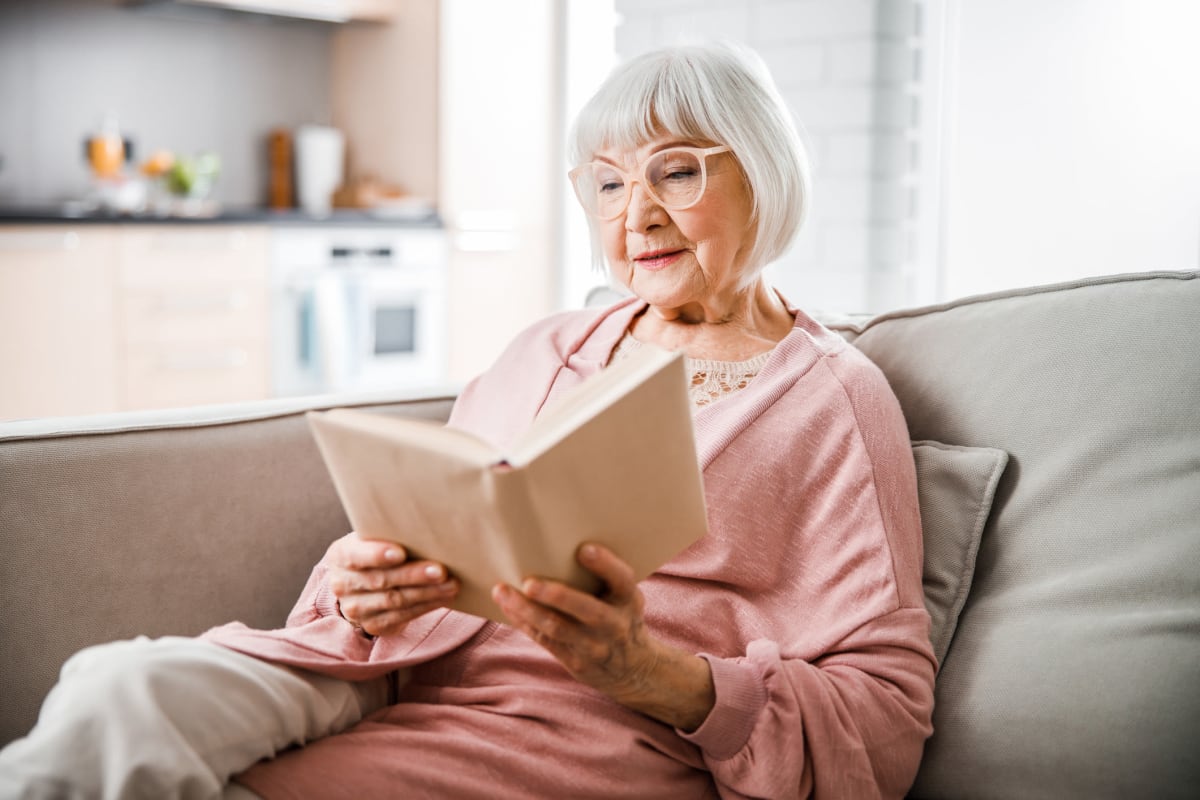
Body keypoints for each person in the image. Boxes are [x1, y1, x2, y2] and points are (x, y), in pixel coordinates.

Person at [0, 42, 935, 799]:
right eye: (607, 185)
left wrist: (645, 669)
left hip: (567, 733)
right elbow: (431, 525)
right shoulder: (547, 348)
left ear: (764, 172)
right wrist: (357, 586)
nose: (638, 213)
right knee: (114, 694)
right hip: (376, 666)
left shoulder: (832, 400)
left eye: (677, 172)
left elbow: (883, 722)